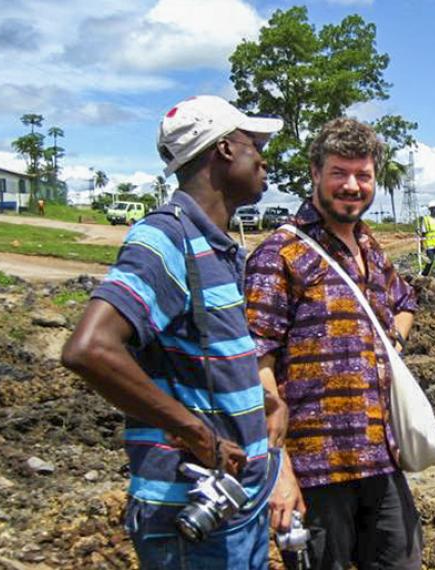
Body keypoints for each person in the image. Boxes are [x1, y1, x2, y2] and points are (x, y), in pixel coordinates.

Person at [61, 95, 292, 569]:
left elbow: (200, 354)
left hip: (233, 508)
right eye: (254, 144)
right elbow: (89, 348)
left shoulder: (220, 249)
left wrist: (261, 401)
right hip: (189, 512)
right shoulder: (165, 239)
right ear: (224, 150)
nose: (263, 158)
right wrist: (197, 434)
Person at [245, 117, 422, 570]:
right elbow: (255, 367)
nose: (352, 185)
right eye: (339, 173)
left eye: (363, 175)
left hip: (383, 462)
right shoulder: (279, 254)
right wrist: (279, 473)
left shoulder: (371, 248)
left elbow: (405, 302)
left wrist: (391, 353)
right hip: (315, 474)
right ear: (315, 174)